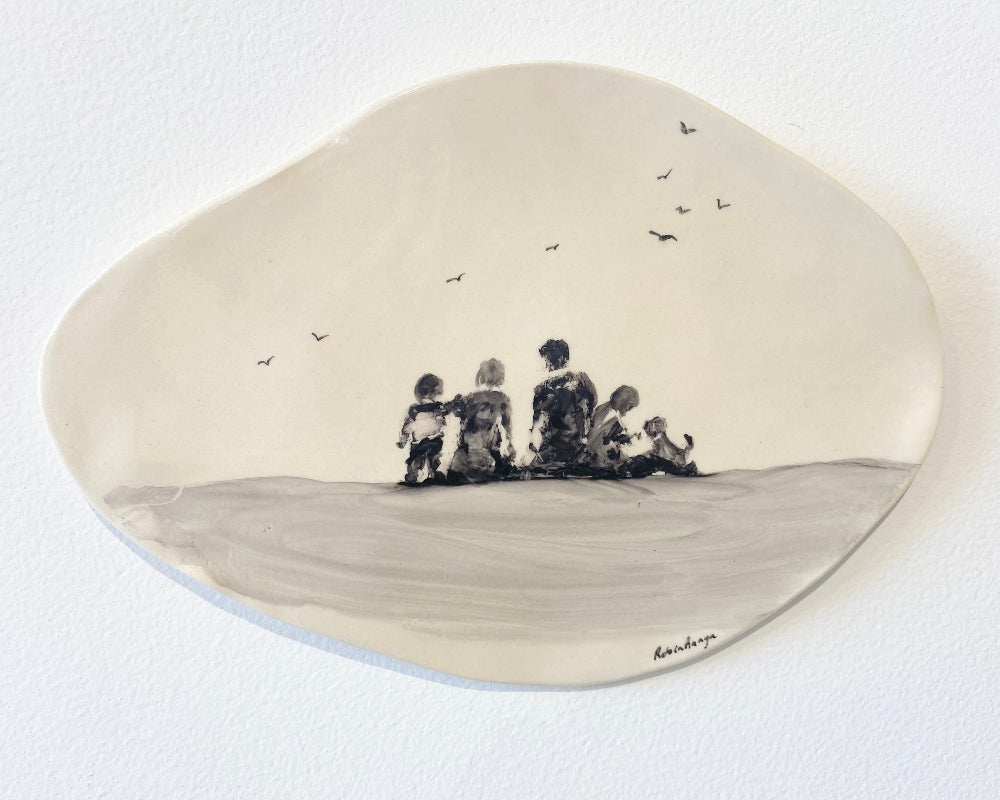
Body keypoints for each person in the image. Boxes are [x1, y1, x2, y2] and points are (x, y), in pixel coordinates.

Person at [526, 338, 597, 476]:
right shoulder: (583, 380)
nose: (545, 365)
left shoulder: (544, 388)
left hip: (556, 449)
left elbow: (538, 423)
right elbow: (592, 404)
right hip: (580, 446)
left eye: (546, 360)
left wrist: (532, 449)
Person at [448, 358, 514, 483]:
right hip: (490, 443)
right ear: (501, 377)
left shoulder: (472, 397)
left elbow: (463, 422)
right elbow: (507, 425)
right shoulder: (503, 398)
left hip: (472, 443)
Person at [397, 373, 452, 485]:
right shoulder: (439, 406)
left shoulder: (414, 408)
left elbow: (407, 424)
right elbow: (444, 419)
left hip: (418, 441)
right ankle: (432, 472)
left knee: (416, 457)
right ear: (436, 391)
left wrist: (403, 440)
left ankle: (414, 473)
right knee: (433, 457)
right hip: (434, 439)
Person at [585, 385, 641, 477]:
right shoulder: (601, 410)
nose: (629, 410)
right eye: (630, 406)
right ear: (623, 402)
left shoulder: (618, 419)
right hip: (592, 461)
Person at [627, 416, 698, 477]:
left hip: (666, 461)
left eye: (659, 424)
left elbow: (670, 451)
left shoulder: (661, 440)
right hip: (664, 461)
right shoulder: (659, 440)